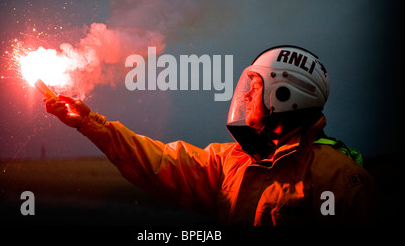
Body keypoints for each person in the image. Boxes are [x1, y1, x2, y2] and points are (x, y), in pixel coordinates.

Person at [45, 45, 377, 226]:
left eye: (255, 87)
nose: (245, 96)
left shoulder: (339, 178)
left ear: (285, 96)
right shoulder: (230, 160)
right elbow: (159, 163)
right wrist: (89, 122)